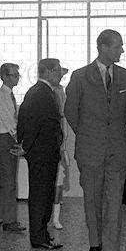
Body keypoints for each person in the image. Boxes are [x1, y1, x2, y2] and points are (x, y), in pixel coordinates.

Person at [64, 30, 126, 251]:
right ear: (103, 47)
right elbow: (71, 112)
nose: (121, 51)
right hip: (90, 148)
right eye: (117, 47)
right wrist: (89, 134)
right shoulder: (80, 77)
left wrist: (110, 132)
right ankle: (95, 242)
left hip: (117, 148)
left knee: (114, 202)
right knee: (92, 198)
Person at [17, 58, 65, 250]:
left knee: (45, 193)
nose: (60, 74)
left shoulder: (43, 92)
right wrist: (25, 146)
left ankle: (43, 233)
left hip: (45, 151)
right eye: (57, 71)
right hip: (41, 152)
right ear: (46, 71)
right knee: (40, 194)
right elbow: (32, 123)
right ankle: (38, 237)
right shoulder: (40, 93)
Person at [0, 62, 26, 233]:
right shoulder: (0, 96)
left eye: (17, 75)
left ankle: (0, 216)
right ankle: (9, 220)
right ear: (4, 77)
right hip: (5, 139)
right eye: (13, 75)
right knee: (9, 181)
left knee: (6, 181)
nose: (16, 78)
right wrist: (19, 139)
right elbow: (9, 121)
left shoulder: (10, 95)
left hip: (9, 138)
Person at [50, 68, 70, 229]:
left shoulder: (60, 90)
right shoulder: (46, 92)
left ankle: (56, 218)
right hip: (50, 142)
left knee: (59, 180)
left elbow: (63, 111)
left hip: (60, 139)